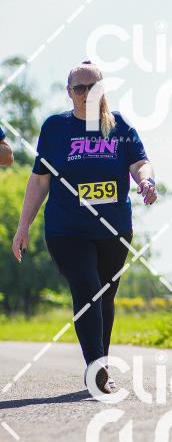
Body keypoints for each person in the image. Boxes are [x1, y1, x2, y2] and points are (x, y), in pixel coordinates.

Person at [12, 61, 157, 396]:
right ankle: (98, 369)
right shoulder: (55, 128)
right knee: (88, 289)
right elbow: (40, 180)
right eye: (80, 88)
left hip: (114, 228)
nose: (87, 93)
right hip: (67, 229)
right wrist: (23, 226)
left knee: (104, 296)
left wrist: (146, 181)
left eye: (94, 87)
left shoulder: (119, 126)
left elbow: (140, 161)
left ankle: (99, 362)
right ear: (69, 92)